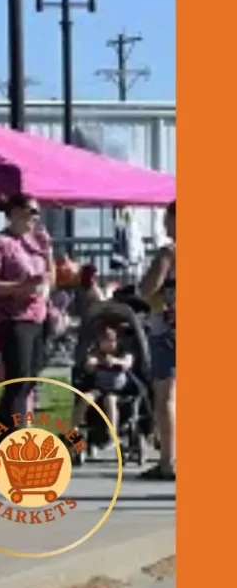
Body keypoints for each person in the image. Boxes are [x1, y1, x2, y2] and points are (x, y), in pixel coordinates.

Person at [0, 193, 53, 439]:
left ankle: (20, 430)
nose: (35, 218)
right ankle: (5, 436)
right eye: (31, 212)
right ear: (15, 213)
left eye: (37, 213)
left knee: (30, 379)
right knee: (17, 380)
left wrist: (48, 253)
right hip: (12, 318)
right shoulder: (0, 243)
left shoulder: (35, 242)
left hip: (38, 316)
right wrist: (20, 287)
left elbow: (49, 276)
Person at [139, 199, 176, 480]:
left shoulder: (169, 253)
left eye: (168, 218)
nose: (164, 223)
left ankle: (168, 461)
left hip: (168, 329)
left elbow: (147, 288)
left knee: (166, 396)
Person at [72, 324, 134, 446]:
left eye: (111, 341)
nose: (108, 344)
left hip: (117, 390)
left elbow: (127, 363)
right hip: (99, 388)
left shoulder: (124, 353)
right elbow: (89, 364)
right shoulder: (96, 353)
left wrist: (115, 362)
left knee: (110, 400)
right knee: (85, 398)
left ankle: (112, 434)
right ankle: (73, 431)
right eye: (104, 341)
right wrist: (92, 363)